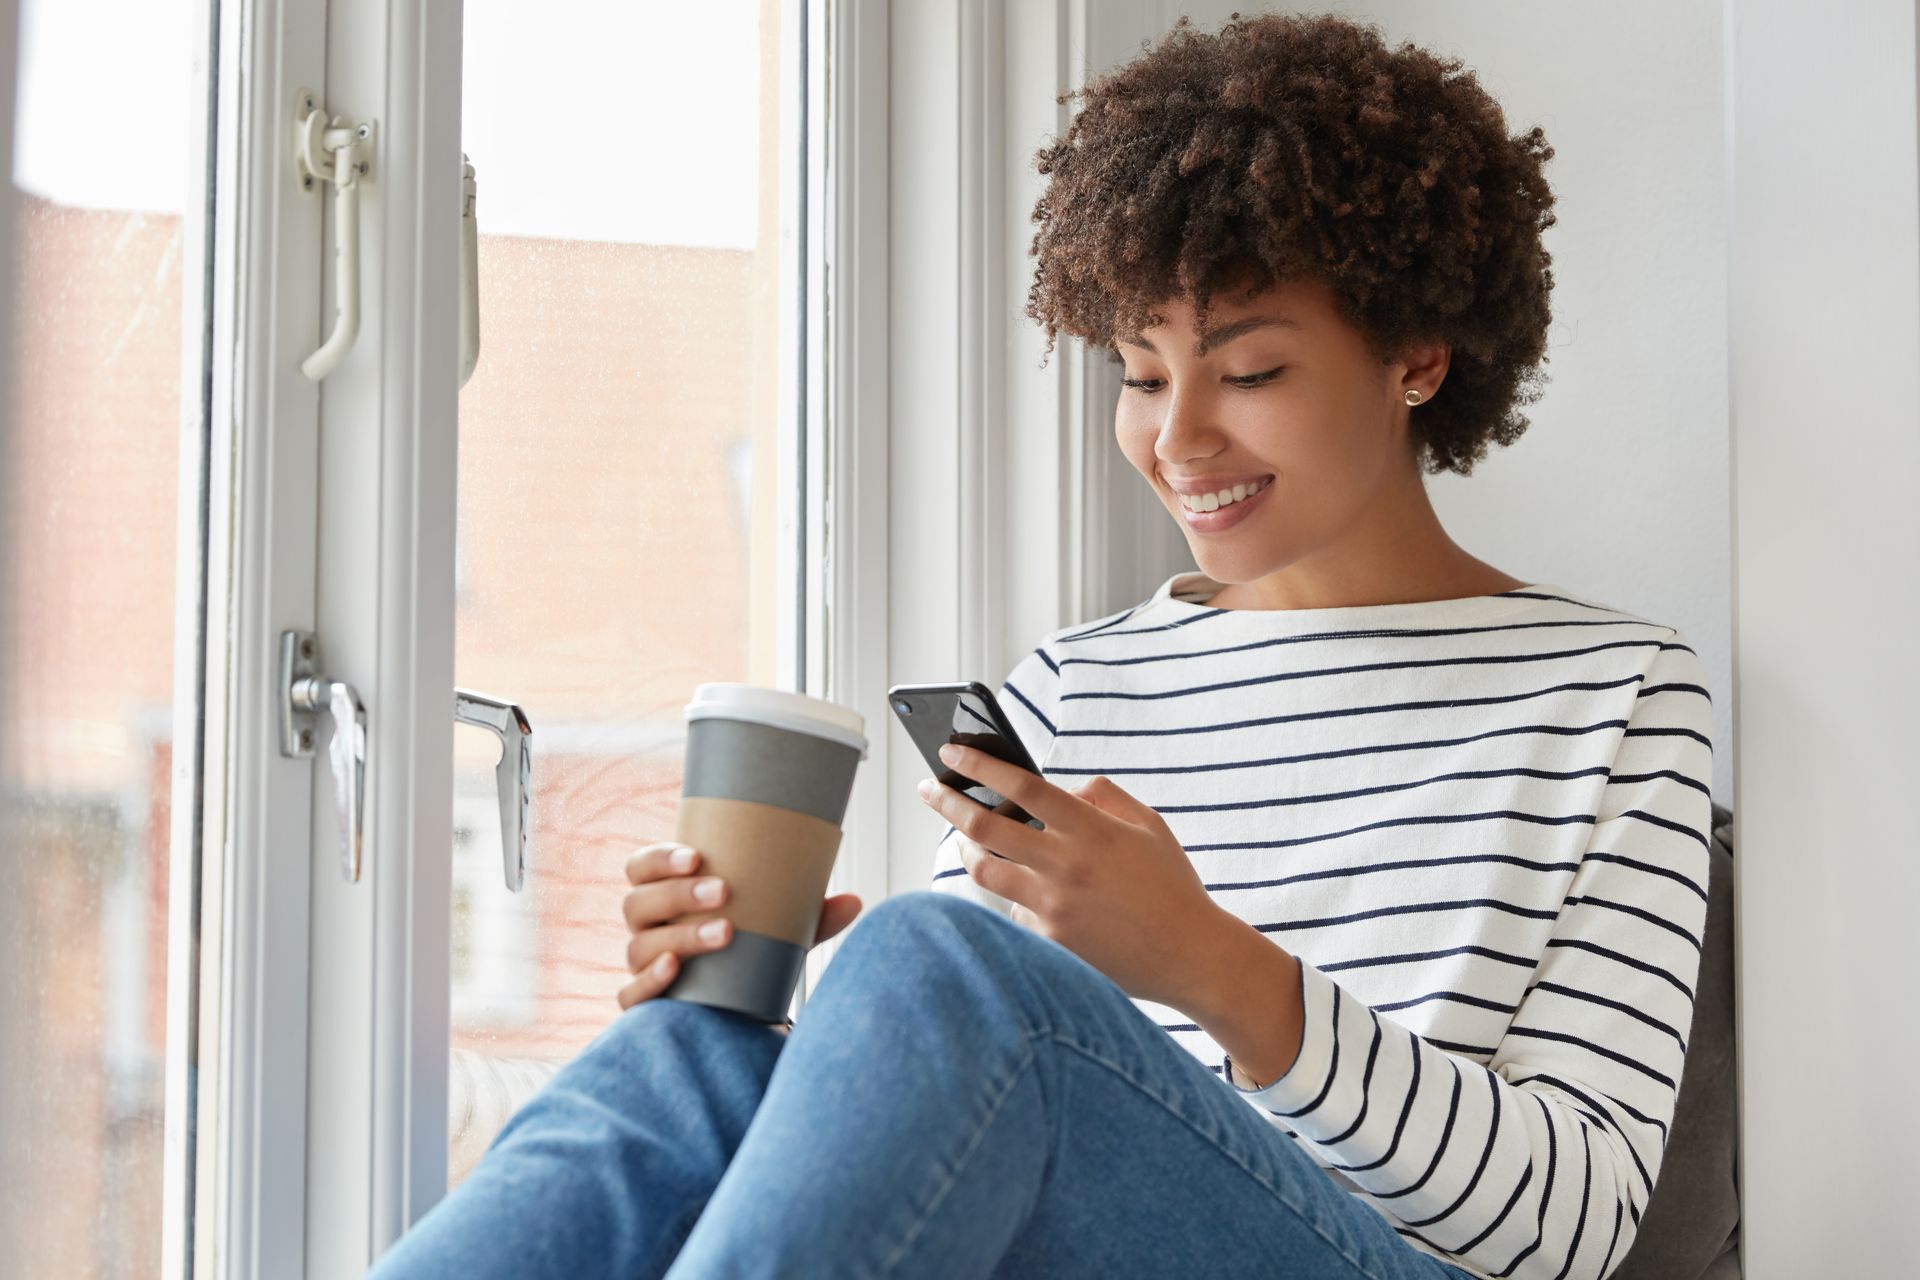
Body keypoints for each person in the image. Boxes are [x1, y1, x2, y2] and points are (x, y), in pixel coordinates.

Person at [368, 11, 1709, 1280]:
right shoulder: (1072, 691)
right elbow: (969, 1111)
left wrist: (1206, 964)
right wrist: (773, 1000)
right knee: (691, 1052)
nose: (1178, 441)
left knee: (928, 963)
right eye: (1139, 374)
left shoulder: (1618, 697)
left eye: (1249, 375)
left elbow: (1571, 1227)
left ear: (1417, 355)